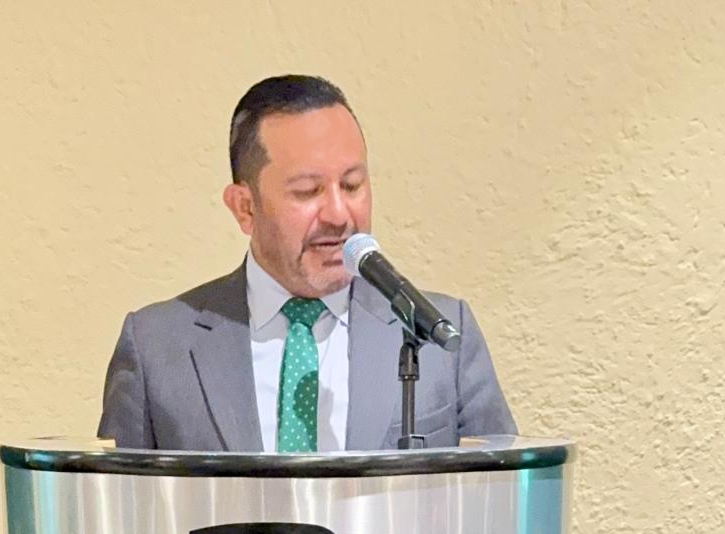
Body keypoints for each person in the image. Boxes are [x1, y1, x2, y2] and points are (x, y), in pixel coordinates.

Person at [98, 75, 516, 452]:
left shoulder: (440, 333)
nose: (338, 213)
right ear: (245, 207)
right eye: (307, 191)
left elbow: (502, 497)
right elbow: (117, 507)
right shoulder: (156, 348)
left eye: (352, 185)